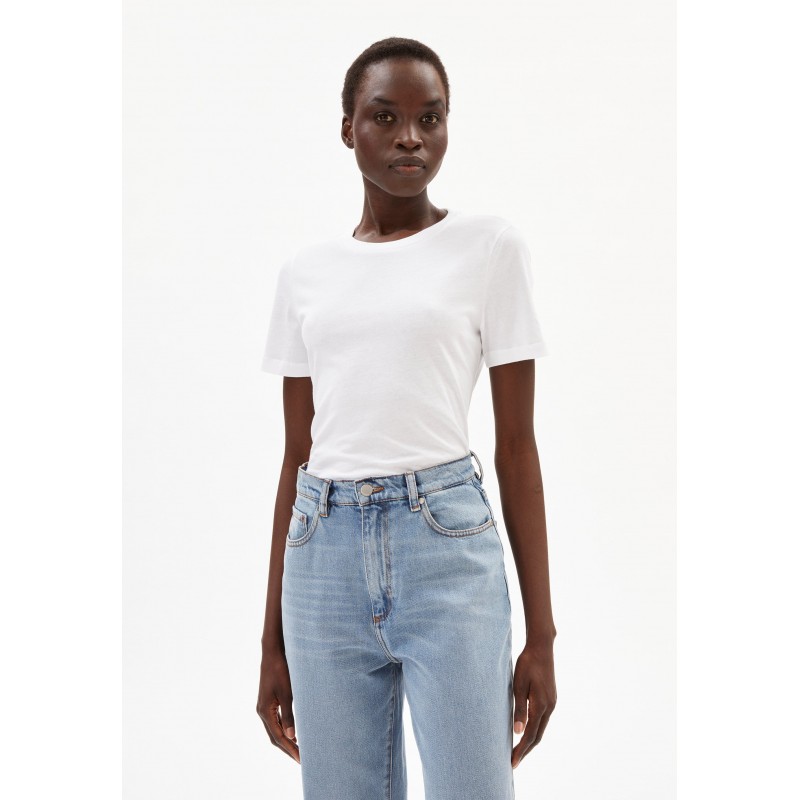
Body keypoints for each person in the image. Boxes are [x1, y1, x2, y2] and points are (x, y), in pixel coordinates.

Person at [256, 36, 557, 800]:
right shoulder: (306, 274)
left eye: (431, 118)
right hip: (322, 561)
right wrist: (271, 642)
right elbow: (296, 456)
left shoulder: (489, 248)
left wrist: (543, 637)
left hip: (446, 547)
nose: (411, 138)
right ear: (348, 127)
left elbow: (517, 448)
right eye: (385, 117)